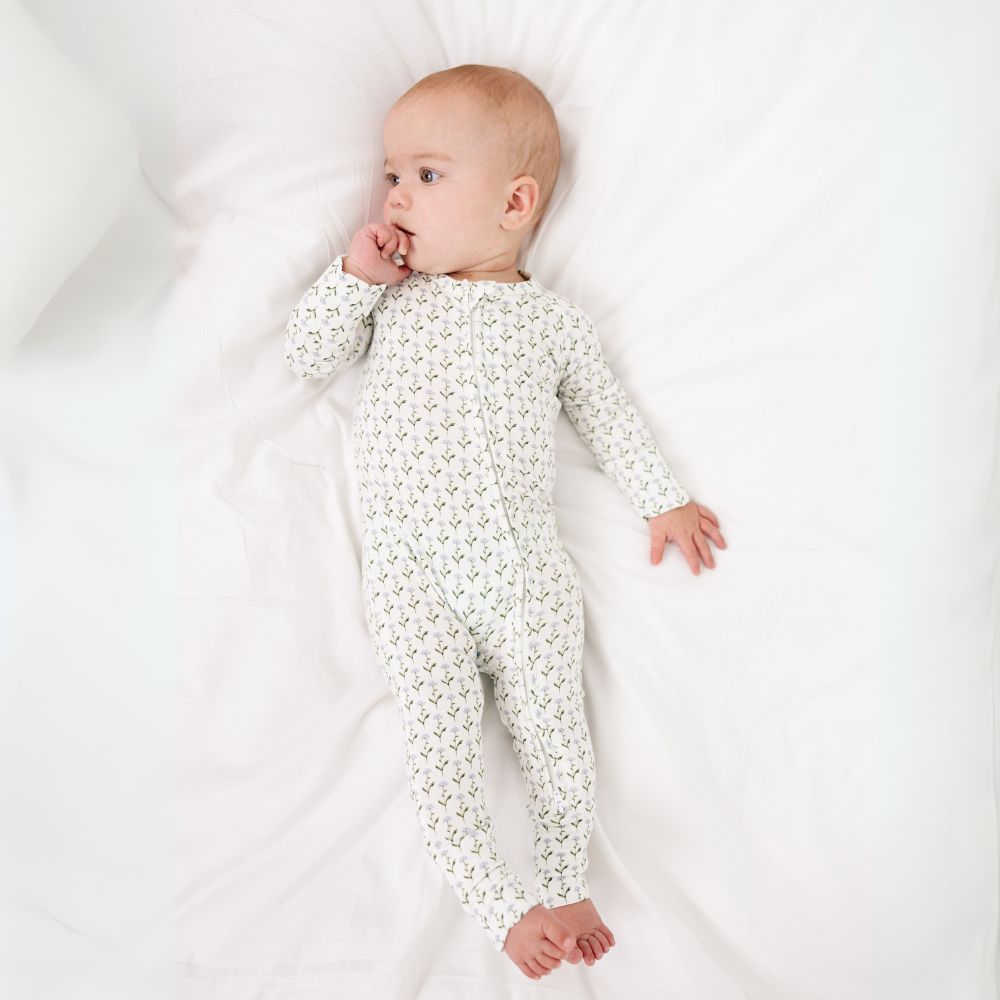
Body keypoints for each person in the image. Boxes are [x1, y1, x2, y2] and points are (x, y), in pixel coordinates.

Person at [284, 63, 727, 981]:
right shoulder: (395, 299)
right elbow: (307, 357)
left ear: (515, 201)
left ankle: (565, 878)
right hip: (413, 579)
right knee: (439, 748)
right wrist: (353, 279)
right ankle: (501, 903)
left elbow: (605, 414)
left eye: (427, 175)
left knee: (556, 738)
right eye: (391, 173)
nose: (396, 194)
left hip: (524, 574)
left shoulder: (555, 324)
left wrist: (663, 497)